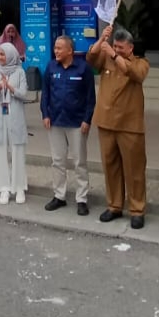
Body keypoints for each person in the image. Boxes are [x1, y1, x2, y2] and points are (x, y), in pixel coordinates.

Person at [88, 25, 150, 229]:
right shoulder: (105, 58)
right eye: (115, 46)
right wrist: (101, 40)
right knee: (110, 166)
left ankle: (137, 209)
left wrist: (115, 55)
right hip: (106, 121)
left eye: (121, 47)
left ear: (130, 48)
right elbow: (91, 58)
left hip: (129, 124)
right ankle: (114, 205)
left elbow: (135, 74)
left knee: (134, 169)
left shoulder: (141, 62)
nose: (116, 49)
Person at [40, 35, 96, 216]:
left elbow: (90, 97)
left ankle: (82, 199)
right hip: (55, 121)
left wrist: (87, 119)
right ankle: (59, 196)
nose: (55, 51)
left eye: (59, 48)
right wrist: (45, 114)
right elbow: (45, 93)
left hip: (77, 123)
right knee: (58, 161)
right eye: (55, 47)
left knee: (80, 162)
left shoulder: (83, 68)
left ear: (70, 50)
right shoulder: (51, 67)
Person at [0, 42, 31, 205]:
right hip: (0, 116)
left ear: (11, 56)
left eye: (3, 54)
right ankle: (3, 187)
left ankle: (19, 187)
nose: (0, 57)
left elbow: (24, 94)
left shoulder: (19, 72)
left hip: (15, 116)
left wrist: (10, 88)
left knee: (17, 150)